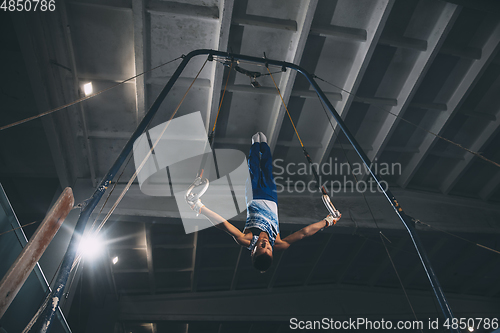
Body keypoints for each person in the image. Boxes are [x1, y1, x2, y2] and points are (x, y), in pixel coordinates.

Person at [187, 132, 341, 272]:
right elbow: (304, 233)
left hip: (253, 196)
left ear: (253, 251)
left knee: (253, 169)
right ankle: (264, 145)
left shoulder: (246, 240)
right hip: (270, 197)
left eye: (261, 247)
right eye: (268, 247)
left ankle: (255, 145)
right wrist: (328, 221)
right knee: (267, 168)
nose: (265, 243)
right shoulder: (279, 243)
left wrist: (200, 208)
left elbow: (223, 224)